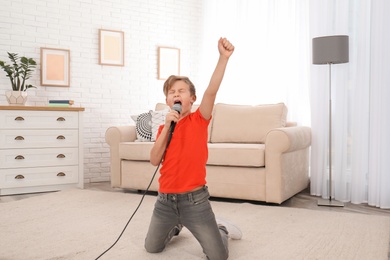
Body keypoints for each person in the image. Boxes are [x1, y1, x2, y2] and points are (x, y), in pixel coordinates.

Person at [145, 37, 241, 260]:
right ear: (168, 100)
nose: (176, 94)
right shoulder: (164, 128)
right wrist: (168, 124)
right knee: (152, 248)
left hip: (194, 201)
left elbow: (211, 92)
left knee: (218, 256)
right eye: (171, 92)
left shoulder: (199, 119)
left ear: (192, 98)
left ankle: (222, 230)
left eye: (181, 91)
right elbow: (153, 159)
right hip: (165, 201)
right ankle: (176, 224)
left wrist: (223, 58)